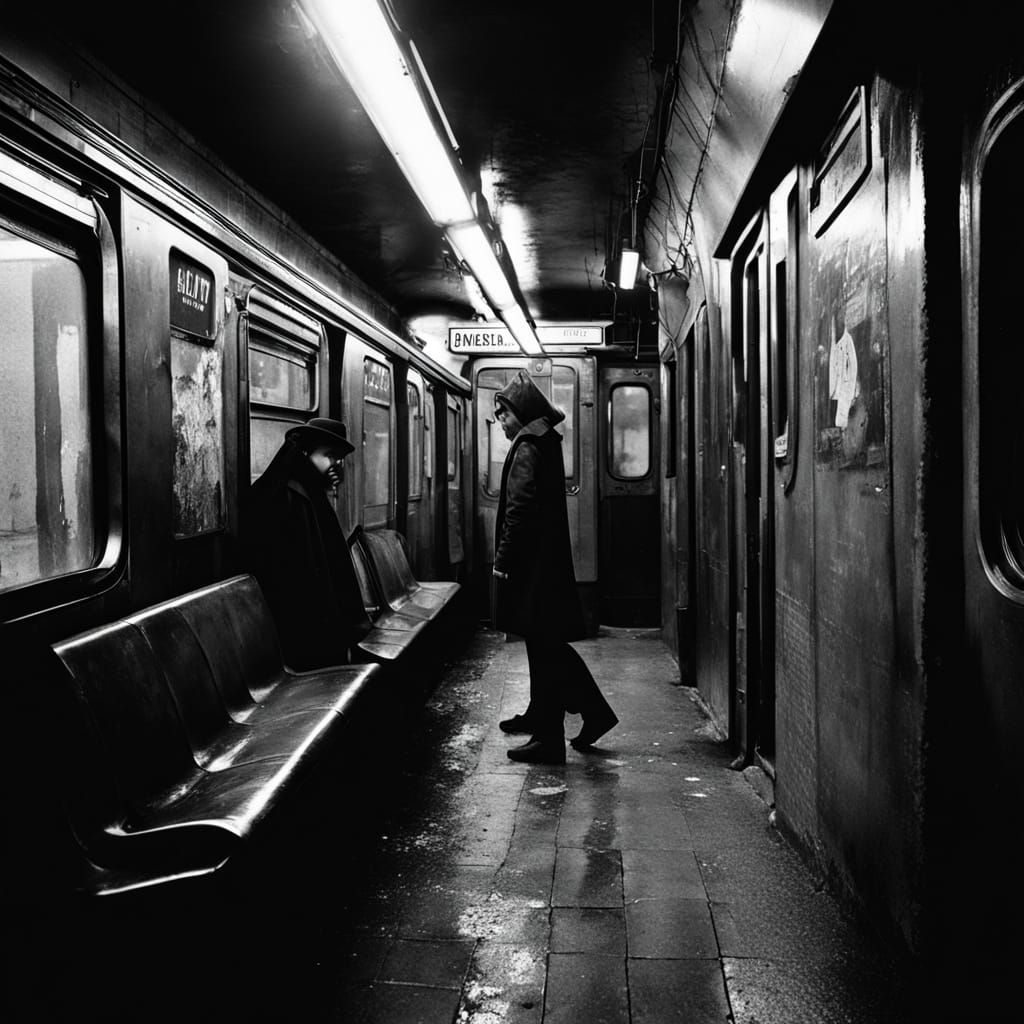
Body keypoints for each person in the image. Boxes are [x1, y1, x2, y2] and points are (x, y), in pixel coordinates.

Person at [492, 371, 618, 764]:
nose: (501, 421)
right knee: (544, 644)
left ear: (522, 412)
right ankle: (564, 716)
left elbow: (519, 509)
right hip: (544, 563)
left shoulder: (528, 446)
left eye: (504, 413)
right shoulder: (544, 441)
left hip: (531, 567)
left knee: (546, 647)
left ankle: (553, 737)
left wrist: (503, 560)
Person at [239, 417, 371, 671]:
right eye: (330, 456)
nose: (336, 465)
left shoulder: (303, 490)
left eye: (339, 459)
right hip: (302, 631)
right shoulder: (293, 497)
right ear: (305, 453)